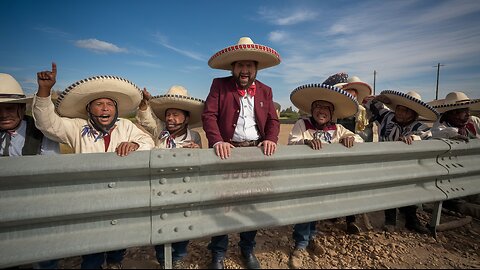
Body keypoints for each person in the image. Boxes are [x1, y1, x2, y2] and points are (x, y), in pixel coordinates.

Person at [34, 63, 155, 269]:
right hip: (89, 201)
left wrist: (134, 144)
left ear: (116, 109)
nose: (105, 108)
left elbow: (149, 142)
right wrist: (44, 91)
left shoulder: (125, 126)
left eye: (110, 104)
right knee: (92, 249)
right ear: (88, 108)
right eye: (99, 104)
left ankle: (116, 262)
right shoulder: (76, 127)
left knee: (119, 239)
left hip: (120, 198)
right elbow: (48, 124)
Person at [202, 36, 281, 269]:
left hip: (255, 152)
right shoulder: (219, 85)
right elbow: (209, 116)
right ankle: (218, 252)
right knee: (222, 202)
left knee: (251, 203)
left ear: (256, 68)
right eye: (240, 65)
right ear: (233, 68)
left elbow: (274, 121)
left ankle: (247, 249)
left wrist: (270, 138)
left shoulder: (266, 90)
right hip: (226, 151)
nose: (244, 70)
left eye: (249, 65)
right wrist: (217, 142)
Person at [287, 82, 363, 269]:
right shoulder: (302, 124)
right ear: (312, 110)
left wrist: (350, 138)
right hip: (305, 176)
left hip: (325, 177)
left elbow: (359, 139)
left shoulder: (337, 129)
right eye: (318, 107)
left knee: (316, 208)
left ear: (331, 113)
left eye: (326, 109)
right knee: (305, 208)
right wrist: (306, 142)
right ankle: (300, 245)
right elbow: (292, 141)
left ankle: (311, 237)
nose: (322, 111)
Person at [136, 85, 205, 268]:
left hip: (184, 190)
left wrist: (198, 152)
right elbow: (145, 119)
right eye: (168, 114)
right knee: (161, 225)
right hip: (160, 189)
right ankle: (162, 259)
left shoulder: (195, 137)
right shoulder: (160, 131)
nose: (170, 119)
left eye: (176, 114)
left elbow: (200, 162)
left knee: (184, 223)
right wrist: (145, 103)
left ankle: (179, 257)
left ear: (187, 117)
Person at [0, 73, 61, 269]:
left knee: (44, 259)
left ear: (21, 108)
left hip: (36, 206)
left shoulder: (41, 131)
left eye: (9, 108)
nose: (3, 114)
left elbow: (50, 172)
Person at [364, 90, 439, 234]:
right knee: (389, 190)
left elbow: (428, 138)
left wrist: (414, 139)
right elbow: (368, 102)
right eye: (399, 108)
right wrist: (378, 99)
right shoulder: (387, 117)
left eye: (406, 111)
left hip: (408, 167)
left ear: (414, 114)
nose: (401, 113)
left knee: (410, 191)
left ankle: (411, 220)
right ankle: (390, 220)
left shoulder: (419, 127)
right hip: (386, 163)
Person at [327, 72, 374, 234]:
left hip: (356, 157)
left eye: (354, 95)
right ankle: (333, 213)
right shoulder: (335, 112)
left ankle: (350, 219)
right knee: (334, 184)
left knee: (352, 186)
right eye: (348, 94)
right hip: (336, 156)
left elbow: (366, 136)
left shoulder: (365, 113)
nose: (351, 98)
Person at [429, 91, 480, 217]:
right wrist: (452, 134)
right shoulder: (442, 126)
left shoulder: (473, 123)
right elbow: (435, 133)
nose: (468, 114)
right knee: (463, 205)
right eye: (464, 111)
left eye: (467, 110)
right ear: (453, 112)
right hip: (451, 181)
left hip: (472, 176)